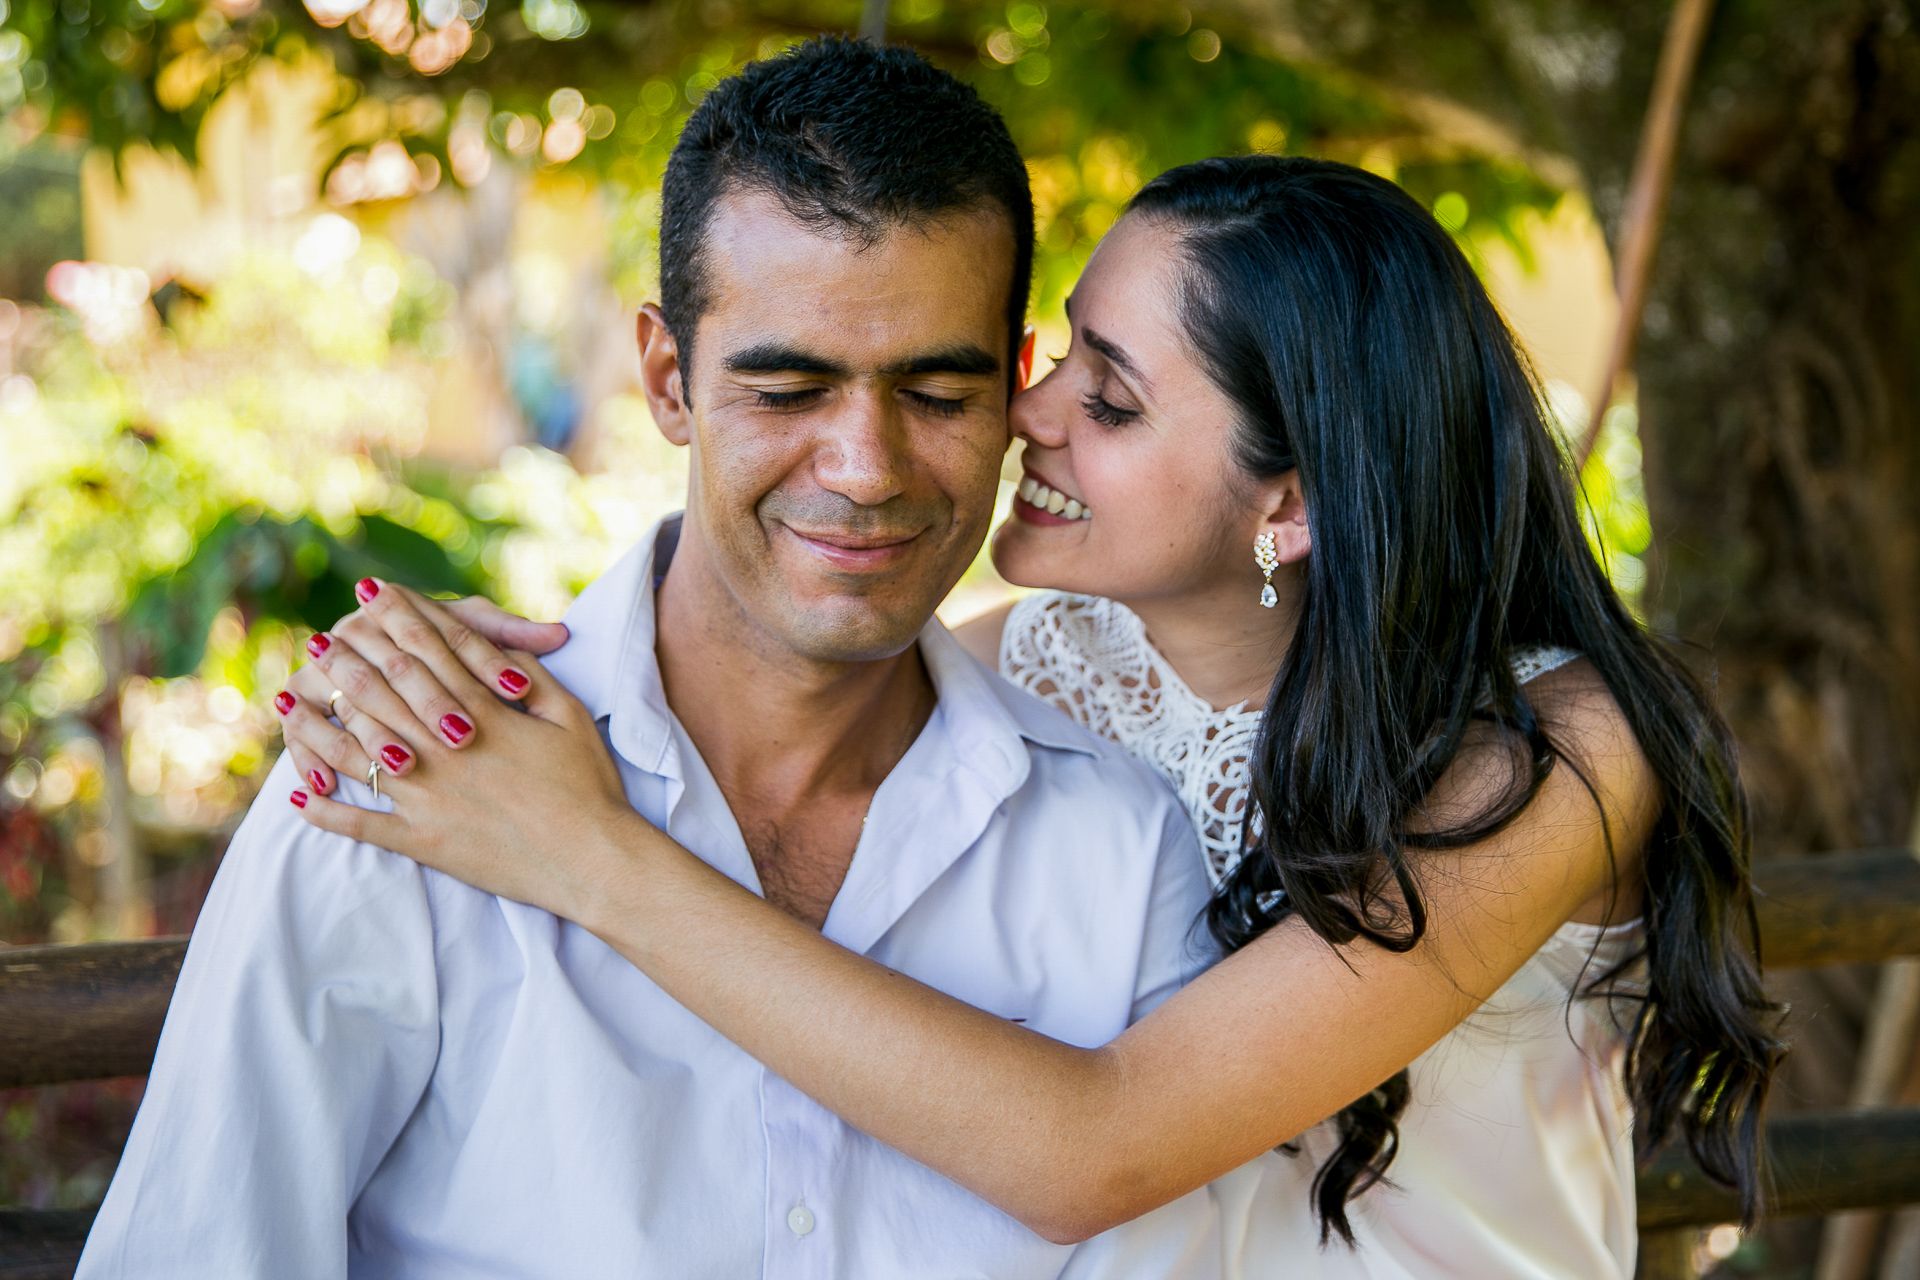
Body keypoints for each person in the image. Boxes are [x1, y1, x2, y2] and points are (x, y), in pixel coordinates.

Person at [280, 150, 1787, 1277]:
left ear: (1295, 496)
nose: (1028, 411)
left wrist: (590, 858)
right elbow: (731, 679)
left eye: (1111, 399)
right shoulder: (1027, 672)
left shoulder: (1553, 755)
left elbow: (1100, 1145)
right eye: (1060, 351)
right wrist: (431, 675)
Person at [77, 39, 1225, 1279]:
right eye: (788, 389)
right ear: (668, 378)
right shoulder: (396, 773)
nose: (866, 467)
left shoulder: (1116, 850)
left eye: (936, 393)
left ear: (1012, 388)